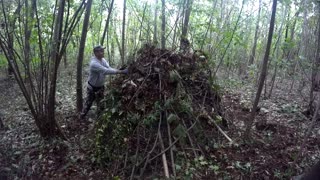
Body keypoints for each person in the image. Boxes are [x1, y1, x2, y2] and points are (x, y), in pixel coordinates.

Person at [79, 45, 128, 119]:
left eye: (102, 50)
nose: (103, 52)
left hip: (100, 87)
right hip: (92, 88)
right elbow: (105, 71)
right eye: (101, 51)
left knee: (101, 104)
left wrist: (118, 70)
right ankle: (81, 117)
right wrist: (121, 72)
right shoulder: (94, 64)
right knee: (88, 104)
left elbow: (108, 68)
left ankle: (99, 120)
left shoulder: (103, 60)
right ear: (96, 53)